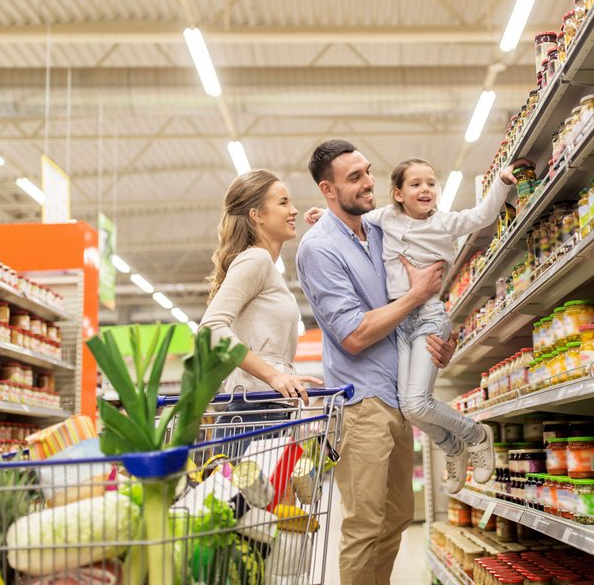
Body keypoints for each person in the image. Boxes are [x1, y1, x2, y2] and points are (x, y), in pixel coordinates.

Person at [304, 156, 528, 494]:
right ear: (397, 193)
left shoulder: (444, 223)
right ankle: (451, 446)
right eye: (415, 184)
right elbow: (351, 219)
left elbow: (480, 215)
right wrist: (322, 216)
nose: (426, 189)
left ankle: (474, 435)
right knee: (408, 406)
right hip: (399, 323)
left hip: (428, 317)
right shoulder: (385, 218)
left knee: (415, 403)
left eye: (430, 183)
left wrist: (502, 182)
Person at [296, 140, 457, 585]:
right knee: (364, 525)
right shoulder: (319, 249)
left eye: (367, 172)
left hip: (401, 393)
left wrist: (440, 336)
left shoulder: (382, 228)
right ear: (328, 190)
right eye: (354, 178)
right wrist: (416, 295)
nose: (369, 183)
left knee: (398, 516)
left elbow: (421, 292)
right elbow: (353, 335)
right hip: (362, 403)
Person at [199, 169, 323, 430]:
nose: (294, 210)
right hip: (258, 408)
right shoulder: (256, 259)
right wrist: (274, 375)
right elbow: (211, 329)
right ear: (256, 215)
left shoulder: (264, 266)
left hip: (267, 406)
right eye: (283, 202)